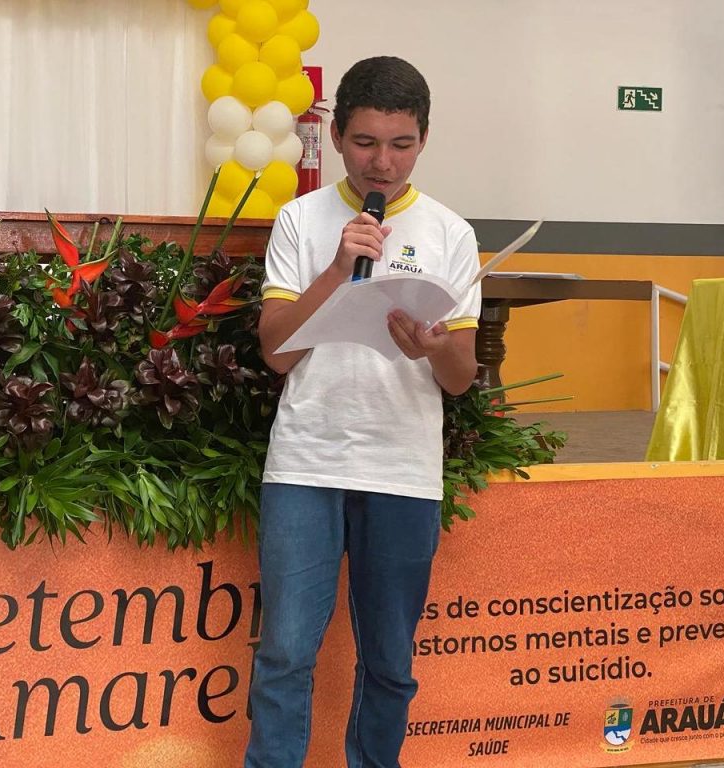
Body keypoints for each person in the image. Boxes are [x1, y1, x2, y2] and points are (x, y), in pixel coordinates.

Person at [245, 56, 482, 768]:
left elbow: (461, 379)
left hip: (402, 467)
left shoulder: (450, 233)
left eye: (402, 144)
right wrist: (336, 271)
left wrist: (434, 349)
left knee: (389, 662)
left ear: (424, 139)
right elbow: (277, 354)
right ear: (338, 136)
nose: (383, 162)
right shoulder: (300, 219)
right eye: (366, 143)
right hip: (306, 462)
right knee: (285, 654)